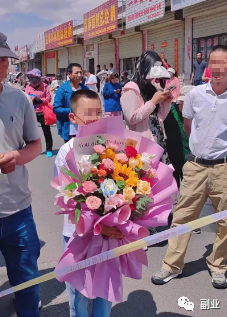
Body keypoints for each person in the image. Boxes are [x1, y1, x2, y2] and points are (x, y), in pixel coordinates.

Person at [152, 45, 227, 289]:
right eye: (212, 62)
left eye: (222, 63)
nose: (216, 68)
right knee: (183, 216)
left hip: (223, 168)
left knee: (225, 221)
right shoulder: (195, 94)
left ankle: (218, 265)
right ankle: (172, 265)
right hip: (195, 165)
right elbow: (188, 127)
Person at [54, 89, 118, 317]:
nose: (94, 120)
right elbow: (70, 200)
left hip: (110, 234)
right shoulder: (66, 152)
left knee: (105, 290)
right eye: (88, 114)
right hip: (77, 235)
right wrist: (98, 225)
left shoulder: (112, 147)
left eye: (98, 113)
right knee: (78, 294)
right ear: (73, 118)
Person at [0, 32, 42, 317]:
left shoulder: (19, 99)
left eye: (3, 60)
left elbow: (36, 144)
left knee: (27, 282)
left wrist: (17, 156)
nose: (0, 66)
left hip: (17, 211)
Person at [121, 51, 172, 162]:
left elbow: (160, 116)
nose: (152, 78)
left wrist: (167, 102)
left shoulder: (151, 87)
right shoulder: (130, 89)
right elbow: (132, 118)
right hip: (142, 143)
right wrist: (153, 102)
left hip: (157, 138)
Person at [53, 63, 88, 143]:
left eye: (80, 72)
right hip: (69, 129)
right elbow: (56, 109)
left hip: (85, 129)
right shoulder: (62, 90)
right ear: (69, 74)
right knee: (71, 154)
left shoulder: (85, 89)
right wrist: (73, 111)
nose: (79, 75)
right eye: (76, 73)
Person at [25, 68, 53, 158]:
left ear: (38, 78)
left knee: (46, 131)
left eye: (34, 78)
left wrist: (40, 100)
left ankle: (49, 149)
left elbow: (48, 99)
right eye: (31, 78)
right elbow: (25, 97)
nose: (32, 80)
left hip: (42, 112)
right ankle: (31, 149)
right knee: (30, 132)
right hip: (31, 112)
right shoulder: (28, 87)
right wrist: (31, 99)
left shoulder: (45, 86)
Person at [164, 68, 183, 187]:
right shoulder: (165, 82)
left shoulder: (175, 80)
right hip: (168, 105)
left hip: (173, 103)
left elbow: (178, 91)